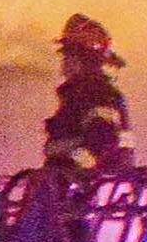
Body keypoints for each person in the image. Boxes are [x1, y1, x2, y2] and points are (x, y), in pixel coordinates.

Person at [42, 15, 132, 178]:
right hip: (72, 189)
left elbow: (103, 141)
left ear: (85, 61)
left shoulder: (96, 94)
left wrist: (72, 172)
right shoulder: (79, 95)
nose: (64, 64)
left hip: (87, 192)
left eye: (69, 56)